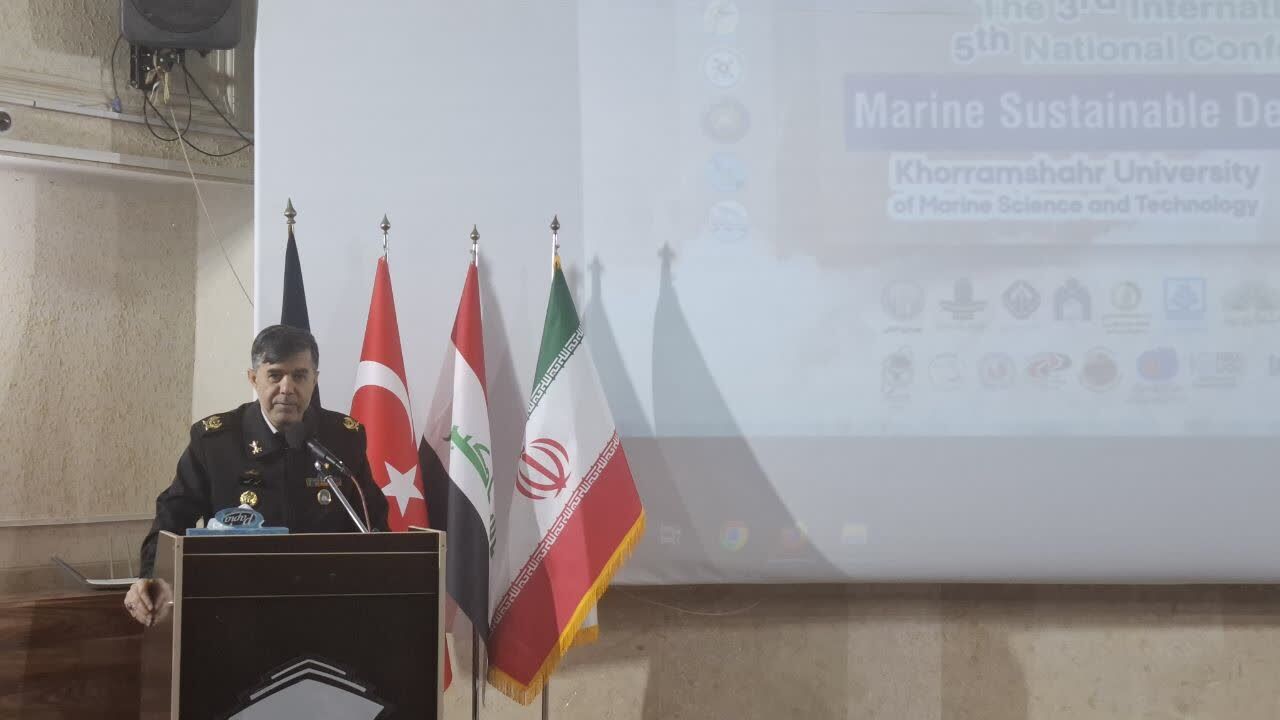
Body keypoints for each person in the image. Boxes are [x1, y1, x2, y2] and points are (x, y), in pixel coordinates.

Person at [124, 325, 389, 626]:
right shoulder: (216, 442)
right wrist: (152, 577)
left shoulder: (342, 439)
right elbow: (172, 516)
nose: (287, 388)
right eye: (275, 375)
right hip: (237, 610)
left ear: (315, 379)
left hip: (327, 608)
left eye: (299, 375)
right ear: (253, 379)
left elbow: (374, 522)